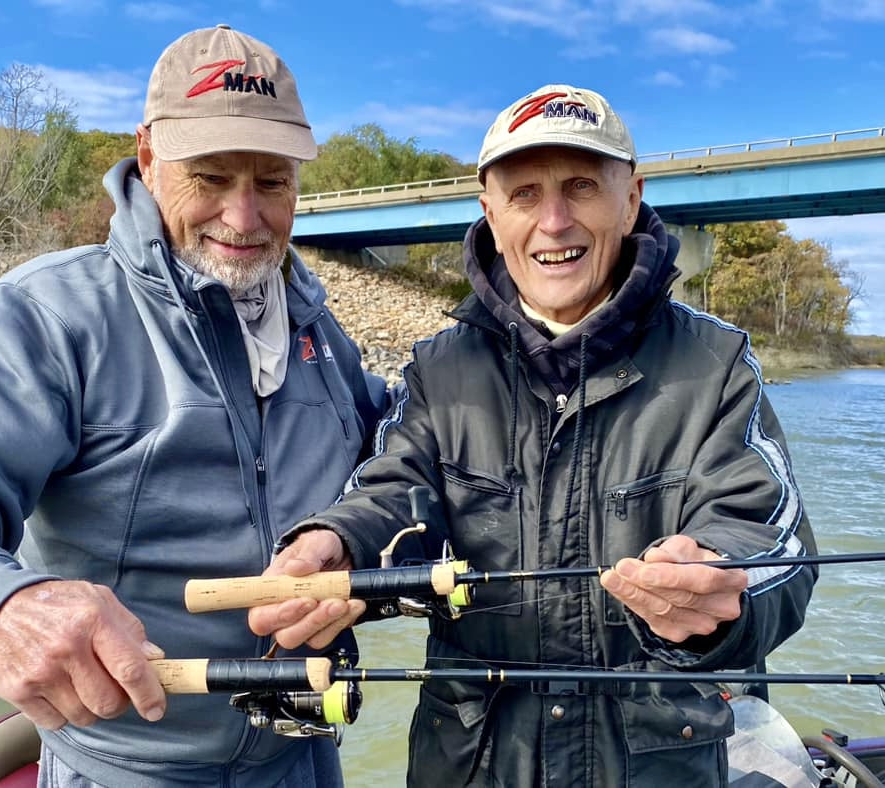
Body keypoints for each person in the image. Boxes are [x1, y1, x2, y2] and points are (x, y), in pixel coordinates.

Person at [248, 84, 818, 786]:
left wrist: (719, 586)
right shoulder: (438, 367)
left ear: (631, 197)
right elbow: (394, 492)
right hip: (471, 763)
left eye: (581, 186)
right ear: (489, 213)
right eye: (523, 195)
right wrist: (334, 544)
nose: (554, 221)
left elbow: (775, 548)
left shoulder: (718, 364)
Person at [0, 24, 386, 788]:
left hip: (305, 756)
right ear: (147, 157)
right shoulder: (50, 314)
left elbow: (394, 458)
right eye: (209, 177)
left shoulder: (322, 329)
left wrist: (360, 548)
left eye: (271, 182)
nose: (243, 218)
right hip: (125, 770)